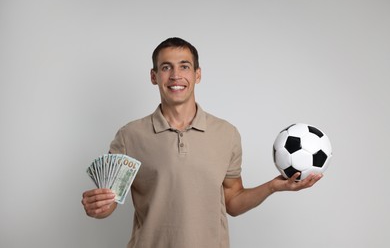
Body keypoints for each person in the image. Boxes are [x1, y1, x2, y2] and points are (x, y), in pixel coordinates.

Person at [81, 37, 322, 248]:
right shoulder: (130, 136)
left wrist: (272, 187)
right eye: (166, 67)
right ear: (154, 76)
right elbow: (109, 202)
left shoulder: (227, 134)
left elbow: (233, 201)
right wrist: (98, 207)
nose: (176, 75)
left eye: (184, 66)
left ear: (197, 74)